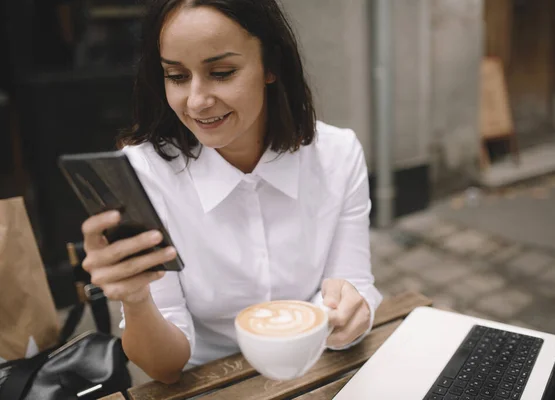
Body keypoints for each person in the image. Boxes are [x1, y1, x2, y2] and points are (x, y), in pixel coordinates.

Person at [81, 0, 382, 384]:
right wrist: (135, 298)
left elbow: (355, 286)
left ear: (270, 65)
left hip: (316, 366)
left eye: (221, 72)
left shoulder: (337, 156)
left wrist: (354, 315)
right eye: (176, 76)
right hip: (207, 382)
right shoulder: (143, 174)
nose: (196, 101)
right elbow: (162, 368)